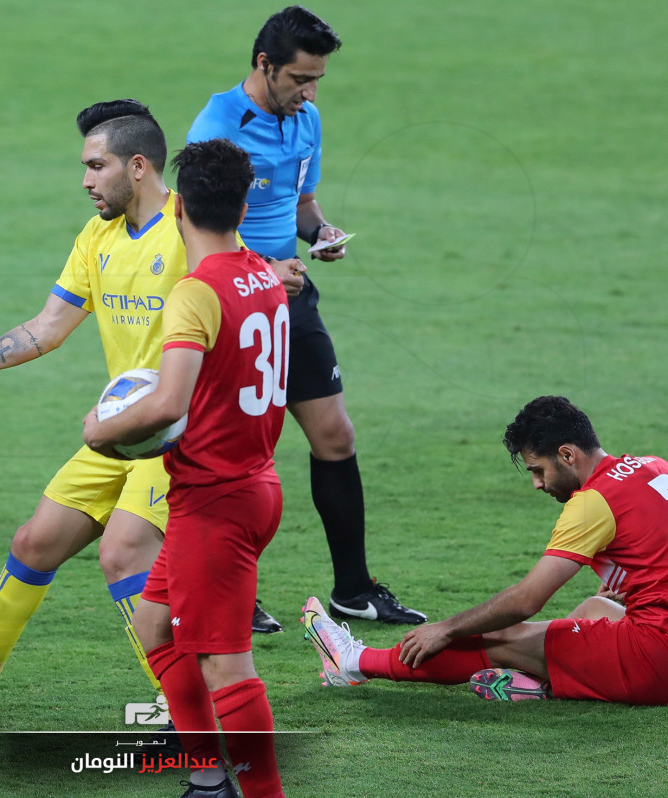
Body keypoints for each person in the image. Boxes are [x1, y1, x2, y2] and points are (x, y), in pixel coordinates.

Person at [0, 100, 300, 719]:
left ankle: (180, 709)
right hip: (120, 433)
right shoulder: (97, 237)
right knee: (34, 542)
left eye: (97, 166)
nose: (86, 180)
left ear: (139, 166)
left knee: (122, 552)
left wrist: (275, 272)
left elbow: (234, 271)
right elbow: (47, 327)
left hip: (175, 435)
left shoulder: (189, 224)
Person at [188, 5, 425, 625]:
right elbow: (186, 232)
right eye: (299, 79)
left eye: (318, 79)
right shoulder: (217, 127)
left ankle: (353, 588)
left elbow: (303, 201)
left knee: (335, 435)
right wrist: (261, 272)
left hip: (289, 298)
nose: (310, 91)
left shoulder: (307, 119)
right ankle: (230, 592)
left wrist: (320, 232)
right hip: (229, 304)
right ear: (263, 65)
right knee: (233, 453)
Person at [85, 138, 289, 798]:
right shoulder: (264, 274)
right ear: (242, 204)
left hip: (217, 500)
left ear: (179, 210)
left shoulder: (194, 294)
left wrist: (102, 431)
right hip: (253, 482)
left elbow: (167, 404)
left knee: (228, 667)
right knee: (152, 623)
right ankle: (208, 779)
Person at [301, 395, 668, 705]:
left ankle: (354, 661)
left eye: (539, 470)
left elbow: (526, 601)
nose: (538, 484)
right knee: (594, 609)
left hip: (664, 665)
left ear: (567, 454)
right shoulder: (654, 466)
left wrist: (447, 627)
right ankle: (541, 684)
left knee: (499, 635)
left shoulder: (594, 502)